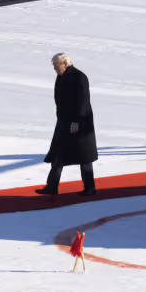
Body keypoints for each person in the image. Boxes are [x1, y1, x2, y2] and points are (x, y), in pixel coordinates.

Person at [36, 53, 97, 196]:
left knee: (84, 156)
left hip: (80, 123)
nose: (54, 68)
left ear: (64, 64)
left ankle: (90, 187)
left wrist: (76, 121)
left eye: (56, 65)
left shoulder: (79, 77)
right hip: (64, 121)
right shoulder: (61, 77)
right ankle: (52, 187)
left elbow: (82, 101)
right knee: (58, 154)